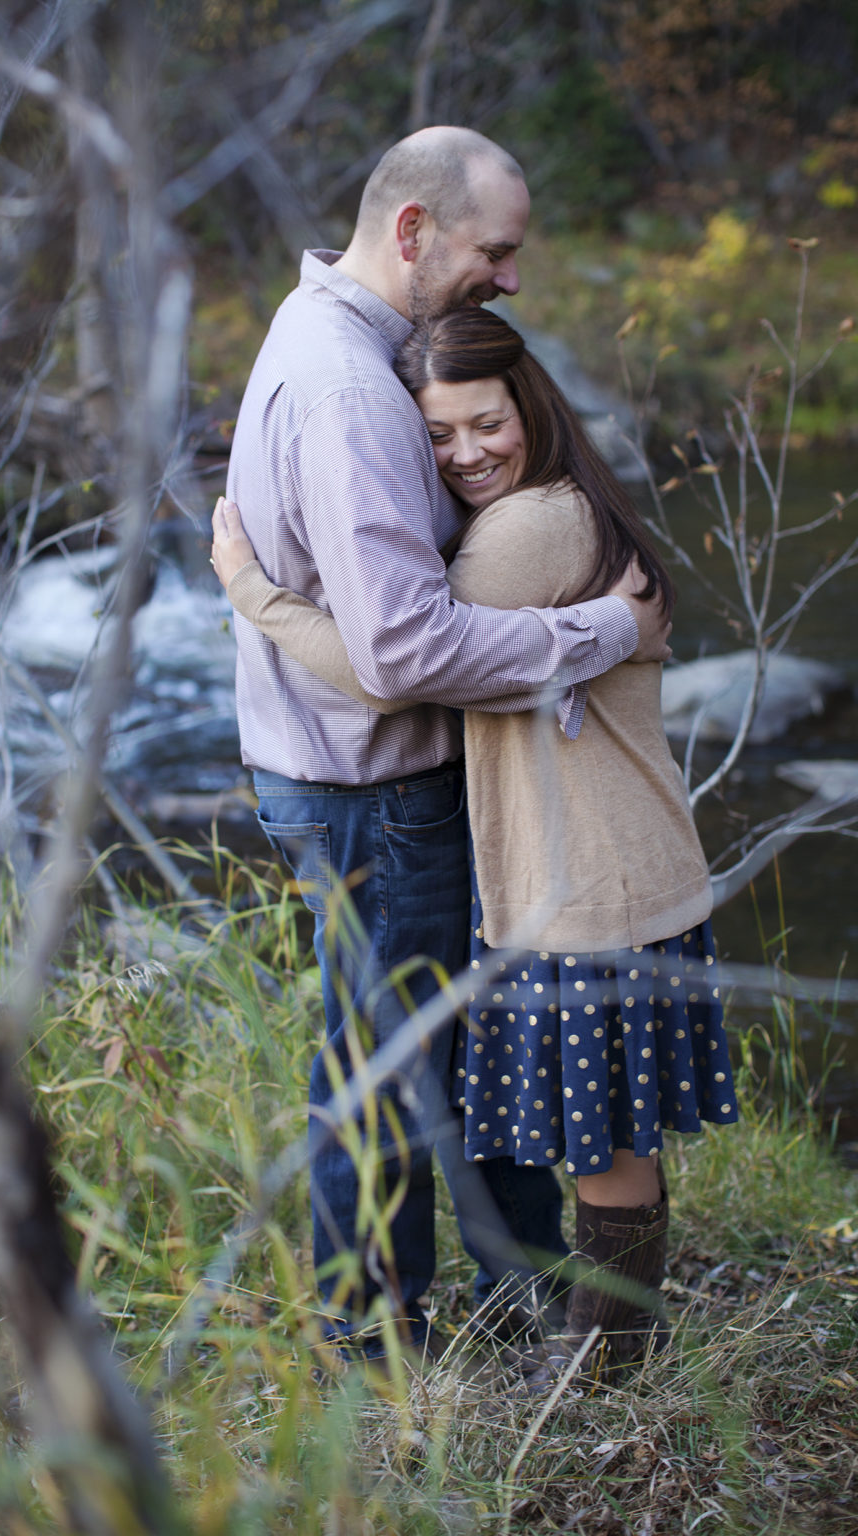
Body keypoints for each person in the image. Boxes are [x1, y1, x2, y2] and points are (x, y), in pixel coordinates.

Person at [212, 307, 739, 1383]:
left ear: (529, 404)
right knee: (610, 1132)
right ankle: (611, 1346)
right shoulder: (549, 504)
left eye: (484, 422)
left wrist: (254, 594)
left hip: (594, 879)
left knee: (604, 1145)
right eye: (438, 438)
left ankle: (605, 1365)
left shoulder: (523, 533)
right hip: (609, 872)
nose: (466, 454)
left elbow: (393, 665)